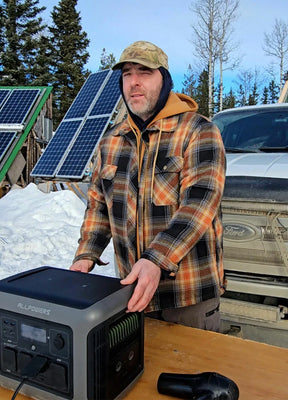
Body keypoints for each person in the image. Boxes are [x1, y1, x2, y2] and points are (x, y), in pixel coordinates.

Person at [70, 40, 226, 332]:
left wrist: (156, 259)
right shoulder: (111, 141)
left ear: (164, 80)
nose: (134, 82)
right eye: (127, 74)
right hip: (133, 291)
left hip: (187, 295)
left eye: (145, 72)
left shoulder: (198, 131)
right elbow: (99, 206)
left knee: (192, 373)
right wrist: (86, 254)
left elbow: (199, 205)